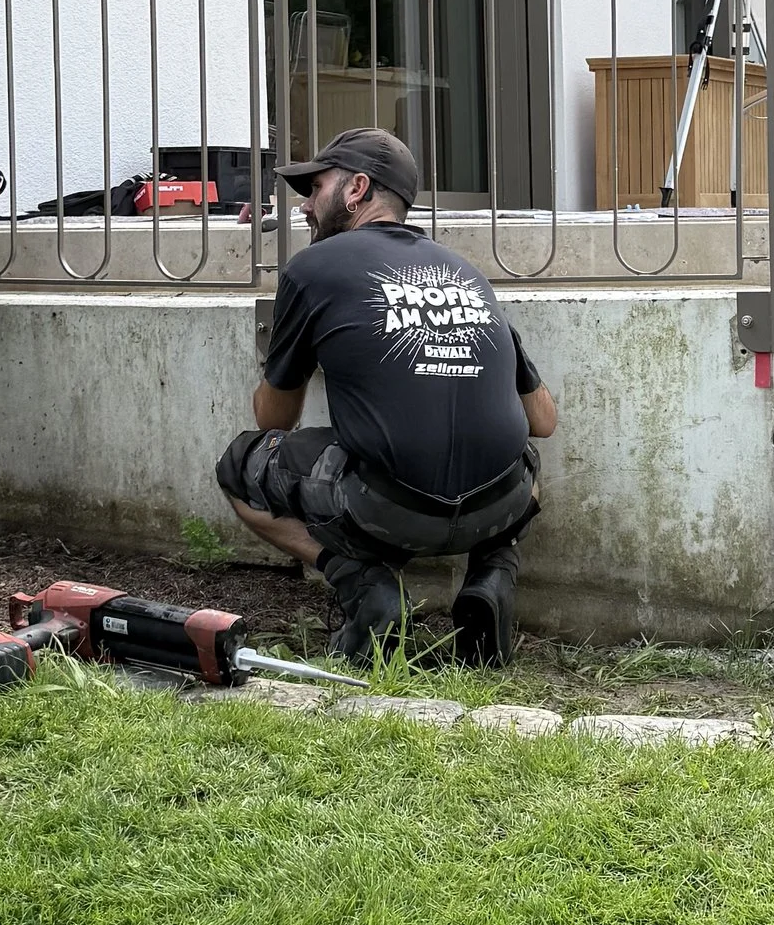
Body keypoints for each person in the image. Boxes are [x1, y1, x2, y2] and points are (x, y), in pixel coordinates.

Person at [215, 126, 556, 666]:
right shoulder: (465, 273)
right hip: (498, 507)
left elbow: (276, 417)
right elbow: (543, 420)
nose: (304, 206)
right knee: (526, 459)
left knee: (240, 466)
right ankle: (490, 580)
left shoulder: (313, 269)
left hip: (390, 512)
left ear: (356, 189)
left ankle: (366, 586)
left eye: (314, 188)